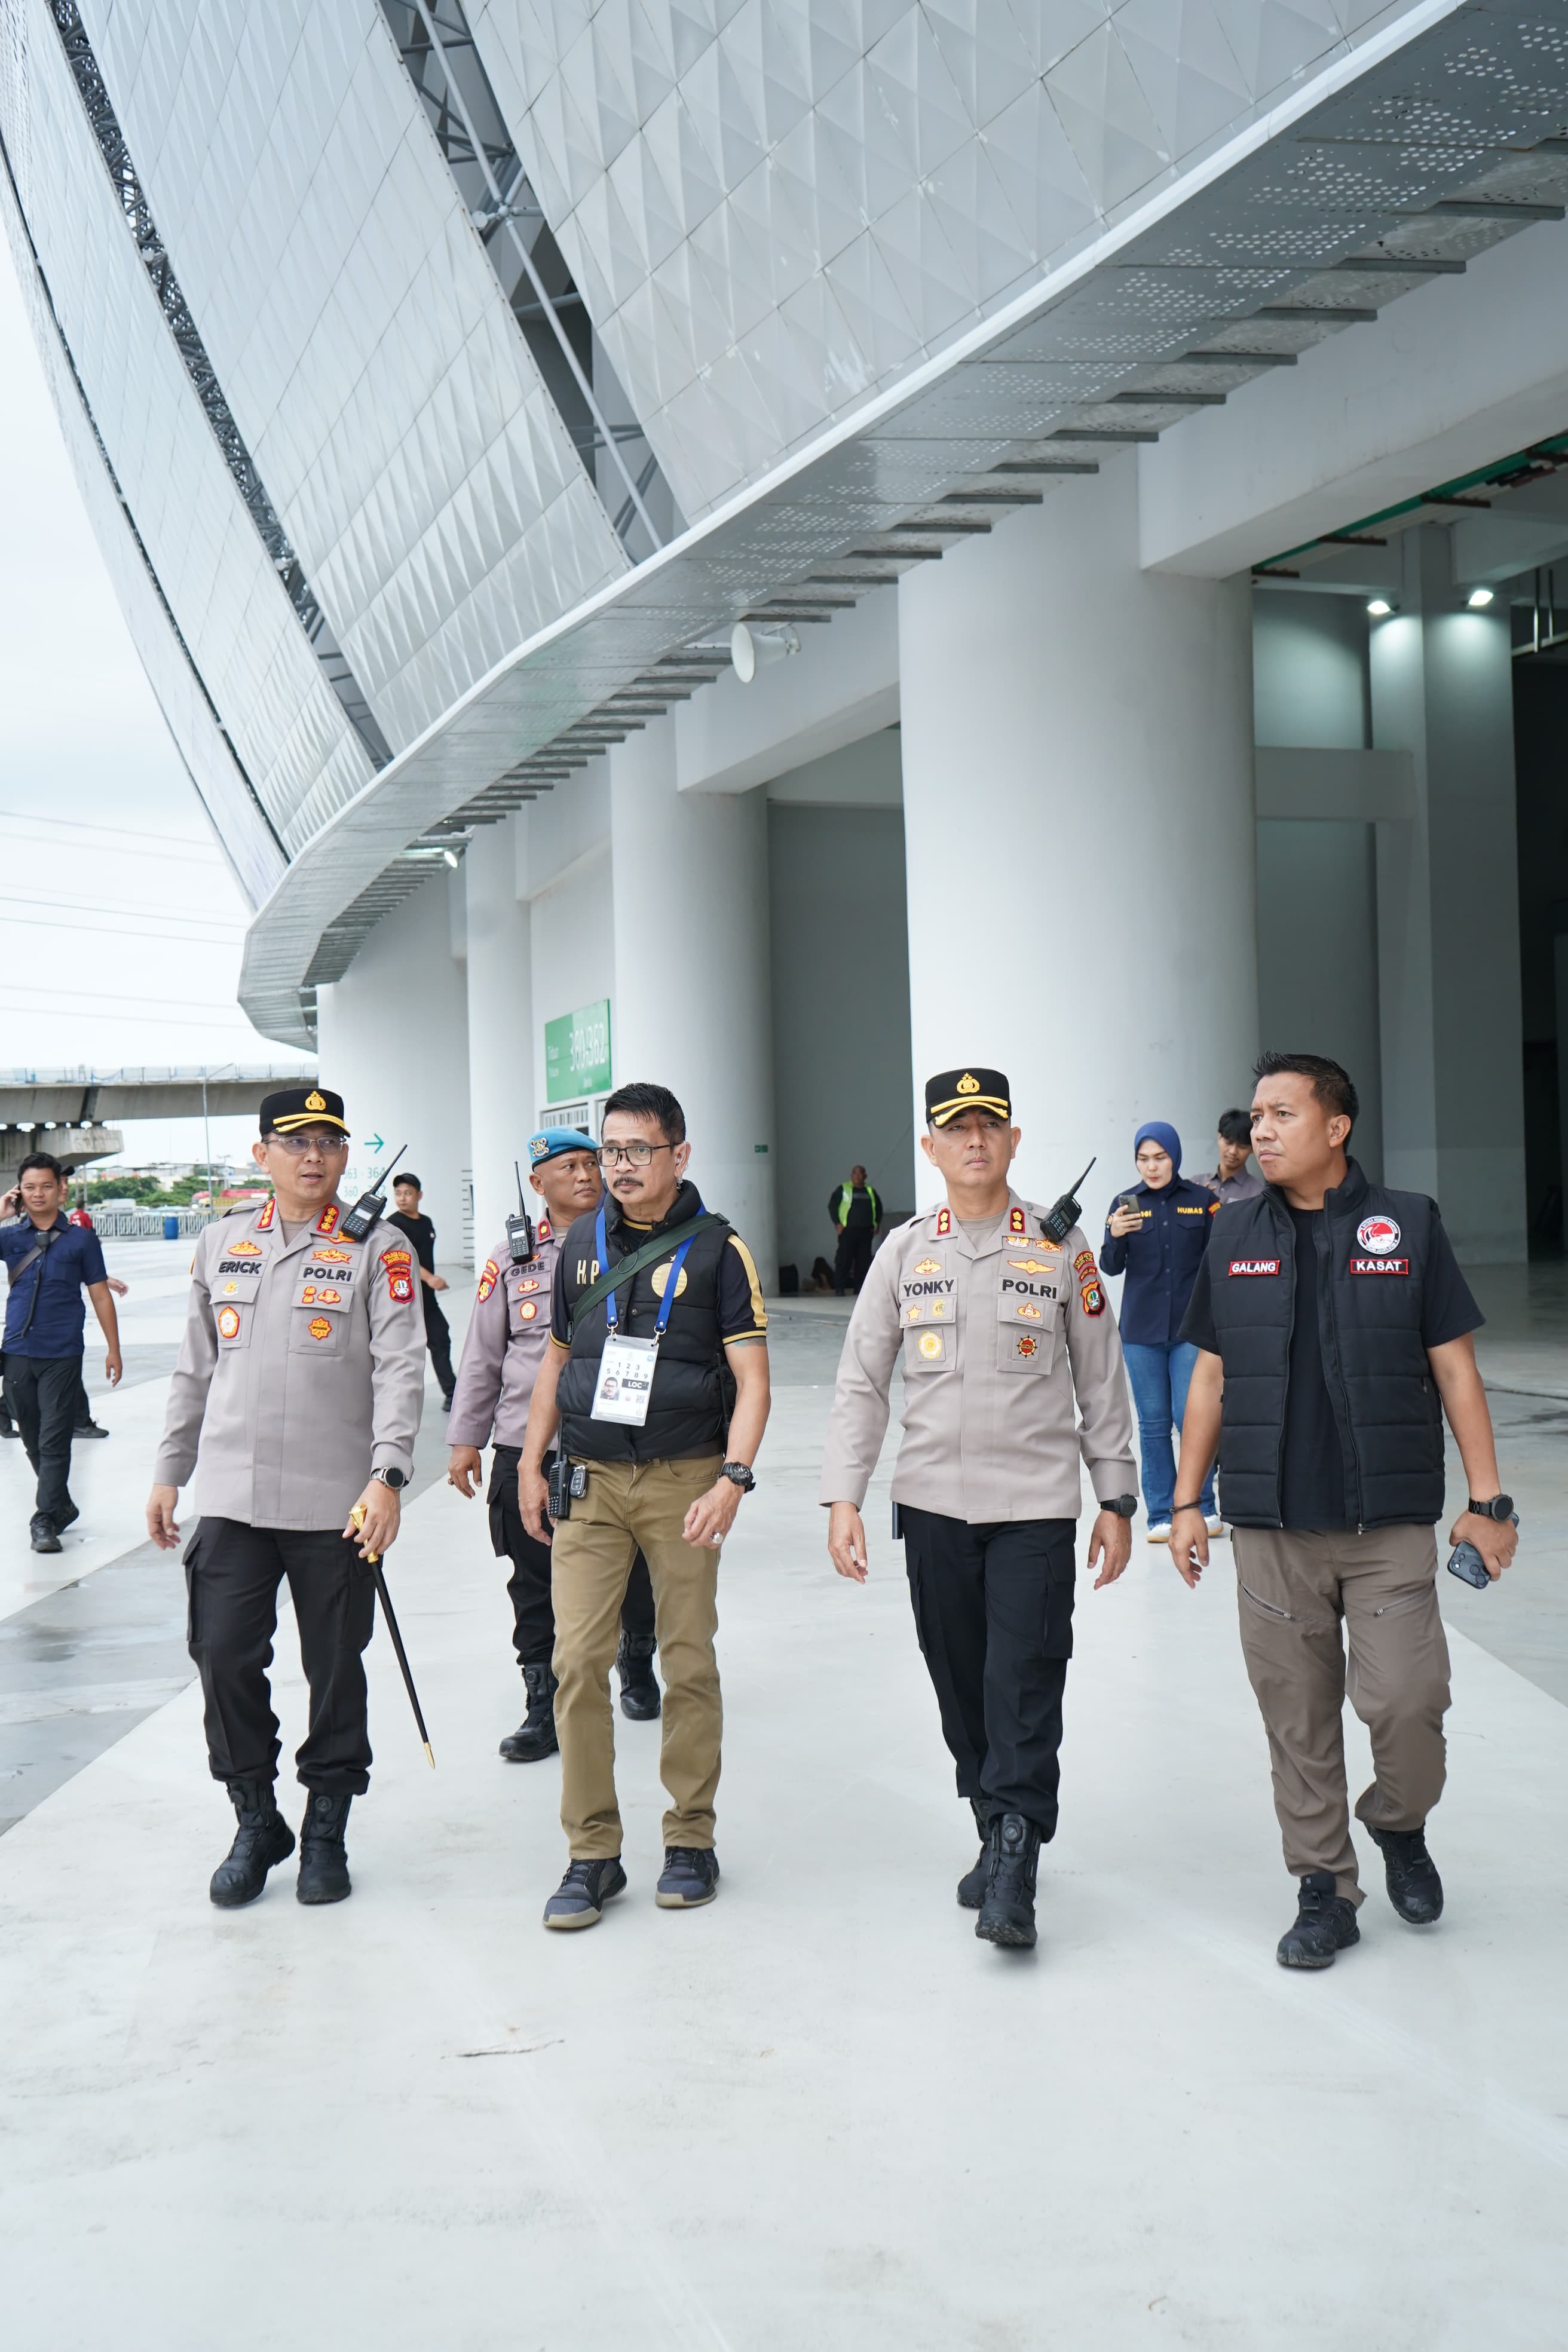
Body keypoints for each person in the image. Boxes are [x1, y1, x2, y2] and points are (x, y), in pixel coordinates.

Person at [1169, 1052, 1518, 1971]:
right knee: (1297, 1717)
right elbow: (1208, 1375)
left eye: (1283, 1112)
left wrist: (1488, 1503)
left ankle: (1398, 1823)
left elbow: (1456, 1369)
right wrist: (1184, 1500)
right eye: (1256, 1115)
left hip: (1387, 1525)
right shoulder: (1231, 1231)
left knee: (1408, 1702)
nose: (1263, 1130)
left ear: (1337, 1127)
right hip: (1271, 1527)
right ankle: (1325, 1884)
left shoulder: (1408, 1224)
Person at [820, 1068, 1138, 1952]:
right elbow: (861, 1381)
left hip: (1035, 1508)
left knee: (1024, 1681)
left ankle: (1014, 1858)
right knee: (961, 1684)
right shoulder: (903, 1251)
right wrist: (843, 1495)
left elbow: (1102, 1381)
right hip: (931, 1506)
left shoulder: (1061, 1251)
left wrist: (1115, 1497)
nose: (973, 1142)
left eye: (988, 1127)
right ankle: (996, 1820)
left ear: (1012, 1140)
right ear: (929, 1147)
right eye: (954, 1129)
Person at [146, 1087, 426, 1910]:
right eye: (295, 1141)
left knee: (335, 1669)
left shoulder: (382, 1248)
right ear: (261, 1153)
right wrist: (170, 1470)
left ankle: (326, 1829)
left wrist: (388, 1475)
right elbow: (195, 1370)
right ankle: (256, 1816)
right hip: (231, 1498)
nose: (314, 1156)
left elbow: (400, 1366)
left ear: (344, 1157)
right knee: (222, 1654)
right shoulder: (220, 1242)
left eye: (328, 1143)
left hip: (337, 1502)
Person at [518, 1081, 770, 1931]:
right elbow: (556, 1361)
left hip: (683, 1481)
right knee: (576, 1665)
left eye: (637, 1151)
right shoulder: (579, 1244)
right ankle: (592, 1853)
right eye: (609, 1152)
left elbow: (754, 1381)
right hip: (588, 1479)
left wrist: (731, 1481)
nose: (619, 1167)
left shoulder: (718, 1252)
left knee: (686, 1659)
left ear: (679, 1156)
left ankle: (690, 1837)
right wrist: (531, 1458)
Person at [447, 1126, 661, 1759]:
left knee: (637, 1568)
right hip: (526, 1443)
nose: (585, 1175)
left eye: (590, 1163)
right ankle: (543, 1702)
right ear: (538, 1183)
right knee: (533, 1579)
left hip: (618, 1438)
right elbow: (483, 1355)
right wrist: (465, 1440)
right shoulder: (511, 1260)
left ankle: (638, 1654)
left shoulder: (637, 1243)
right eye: (567, 1167)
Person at [1099, 1122, 1220, 1544]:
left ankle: (1203, 1507)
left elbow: (1219, 1262)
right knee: (1152, 1425)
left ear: (1175, 1157)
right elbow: (1110, 1266)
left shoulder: (1203, 1201)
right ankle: (1161, 1515)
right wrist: (1114, 1236)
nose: (1152, 1167)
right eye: (1143, 1159)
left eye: (1160, 1157)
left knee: (1192, 1419)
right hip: (1141, 1333)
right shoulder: (1124, 1204)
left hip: (1190, 1329)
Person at [1, 1153, 122, 1551]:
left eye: (46, 1186)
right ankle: (61, 1505)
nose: (39, 1194)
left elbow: (100, 1294)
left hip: (62, 1352)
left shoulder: (82, 1239)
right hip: (17, 1349)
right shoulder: (11, 1237)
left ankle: (43, 1520)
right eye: (30, 1187)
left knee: (55, 1440)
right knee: (33, 1439)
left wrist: (113, 1350)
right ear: (21, 1191)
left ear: (60, 1189)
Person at [386, 1174, 455, 1411]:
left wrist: (431, 1282)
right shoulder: (394, 1224)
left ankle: (452, 1394)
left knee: (440, 1339)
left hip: (427, 1298)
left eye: (407, 1193)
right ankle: (395, 1398)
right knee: (403, 1350)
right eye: (398, 1193)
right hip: (404, 1298)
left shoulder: (426, 1222)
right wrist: (430, 1278)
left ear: (419, 1195)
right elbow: (403, 1260)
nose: (402, 1198)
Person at [1193, 1108, 1265, 1204]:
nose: (1233, 1151)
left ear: (1252, 1148)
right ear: (1219, 1138)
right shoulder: (1196, 1183)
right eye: (1228, 1143)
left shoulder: (1258, 1193)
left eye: (1242, 1147)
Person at [829, 1165, 881, 1295]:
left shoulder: (870, 1191)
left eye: (860, 1173)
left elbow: (878, 1208)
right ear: (851, 1175)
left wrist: (877, 1224)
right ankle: (839, 1288)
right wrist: (837, 1224)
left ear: (865, 1176)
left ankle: (860, 1289)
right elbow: (832, 1206)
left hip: (866, 1232)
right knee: (844, 1260)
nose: (857, 1176)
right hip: (848, 1231)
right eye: (855, 1173)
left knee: (863, 1261)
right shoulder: (844, 1189)